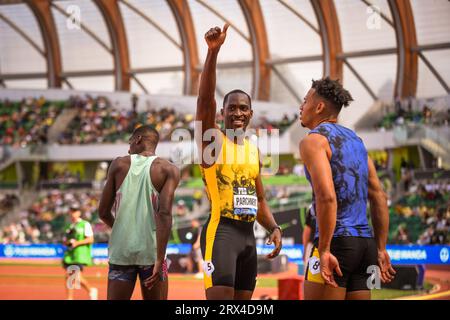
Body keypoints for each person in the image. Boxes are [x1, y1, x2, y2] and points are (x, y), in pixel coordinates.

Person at [195, 24, 282, 300]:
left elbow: (260, 200)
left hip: (249, 239)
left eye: (243, 108)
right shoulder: (213, 141)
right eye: (231, 108)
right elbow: (204, 100)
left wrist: (274, 228)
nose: (237, 113)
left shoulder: (253, 151)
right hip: (221, 234)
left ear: (251, 113)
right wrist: (212, 53)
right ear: (221, 113)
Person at [299, 77, 396, 300]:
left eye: (305, 101)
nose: (301, 107)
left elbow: (327, 197)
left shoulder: (313, 141)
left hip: (337, 242)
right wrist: (380, 248)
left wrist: (323, 250)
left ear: (319, 106)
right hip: (366, 246)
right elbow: (379, 196)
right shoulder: (357, 141)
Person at [98, 125, 180, 300]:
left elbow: (103, 212)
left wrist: (121, 229)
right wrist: (160, 260)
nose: (128, 148)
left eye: (130, 142)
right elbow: (165, 215)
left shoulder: (118, 164)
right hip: (153, 252)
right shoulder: (169, 169)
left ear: (138, 140)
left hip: (122, 251)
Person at [62, 205, 97, 300]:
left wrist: (77, 243)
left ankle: (71, 298)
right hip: (70, 255)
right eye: (71, 211)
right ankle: (90, 291)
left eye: (75, 211)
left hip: (80, 254)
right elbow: (64, 241)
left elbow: (90, 239)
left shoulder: (85, 224)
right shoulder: (69, 226)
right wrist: (68, 242)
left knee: (72, 275)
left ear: (79, 213)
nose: (73, 213)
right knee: (71, 276)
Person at [302, 205, 316, 272]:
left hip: (330, 246)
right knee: (308, 275)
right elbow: (307, 231)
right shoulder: (312, 208)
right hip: (313, 246)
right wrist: (305, 250)